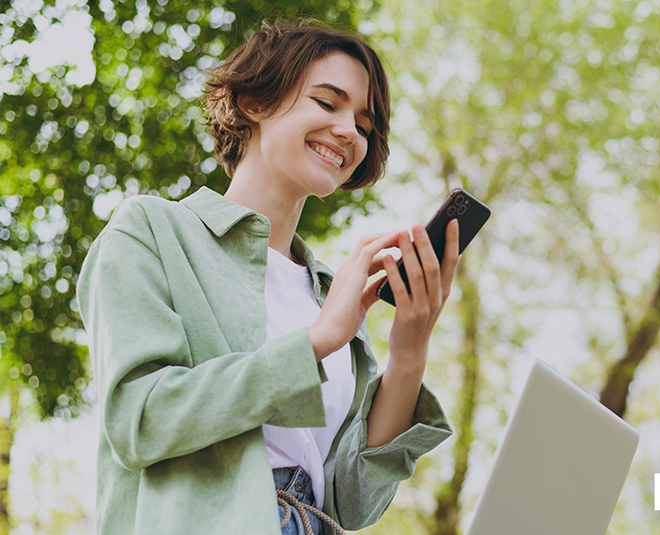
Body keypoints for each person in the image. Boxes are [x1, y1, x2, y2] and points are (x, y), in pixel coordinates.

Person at [77, 20, 458, 535]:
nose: (350, 131)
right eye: (327, 103)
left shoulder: (330, 290)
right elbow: (140, 419)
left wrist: (410, 349)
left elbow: (351, 501)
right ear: (253, 103)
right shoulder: (151, 231)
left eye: (364, 125)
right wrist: (317, 342)